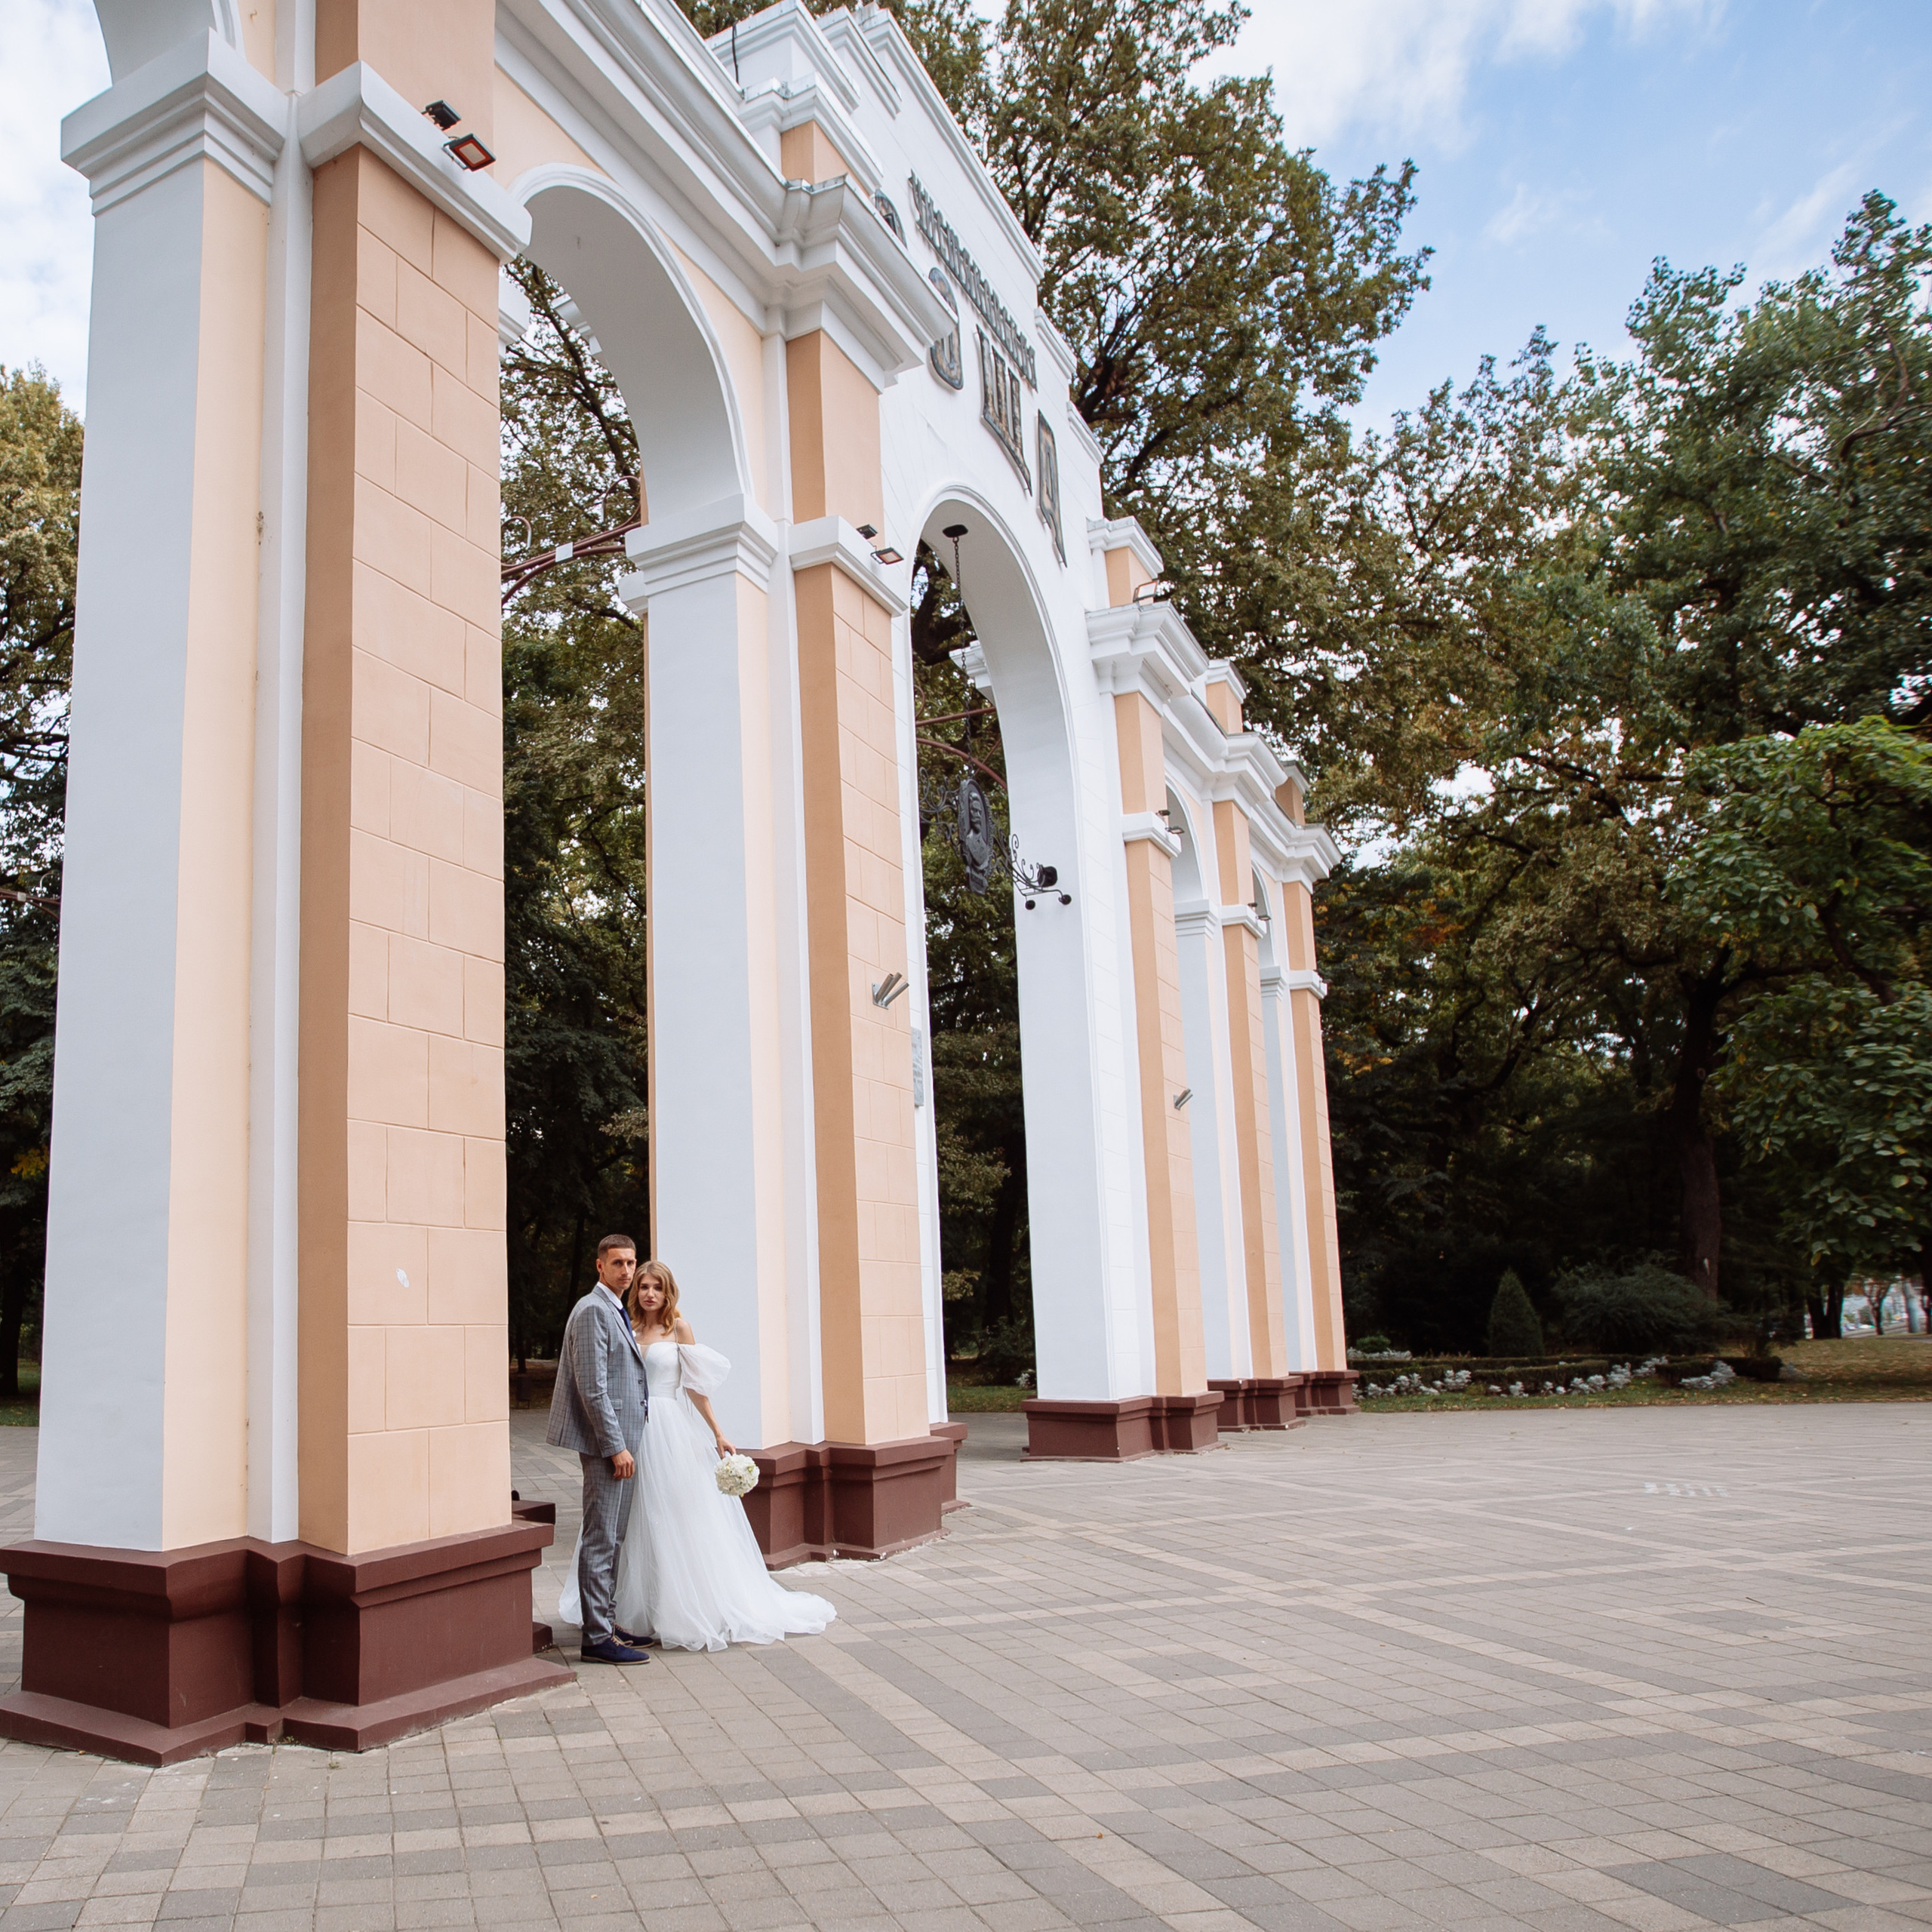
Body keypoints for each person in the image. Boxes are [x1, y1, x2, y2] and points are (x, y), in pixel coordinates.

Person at [558, 1259, 835, 1651]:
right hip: (631, 1430)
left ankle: (680, 1607)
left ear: (668, 1291)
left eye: (656, 1286)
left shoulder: (679, 1329)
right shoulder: (625, 1325)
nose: (649, 1293)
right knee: (630, 1522)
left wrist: (718, 1433)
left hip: (669, 1430)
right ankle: (623, 1613)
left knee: (673, 1516)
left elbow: (694, 1387)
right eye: (643, 1287)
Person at [546, 1235, 652, 1665]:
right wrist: (615, 1447)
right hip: (609, 1446)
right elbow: (593, 1389)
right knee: (601, 1536)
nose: (627, 1271)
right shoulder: (593, 1310)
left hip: (622, 1442)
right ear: (599, 1266)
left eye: (631, 1262)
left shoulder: (615, 1307)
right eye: (618, 1263)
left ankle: (606, 1621)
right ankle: (596, 1638)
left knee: (614, 1536)